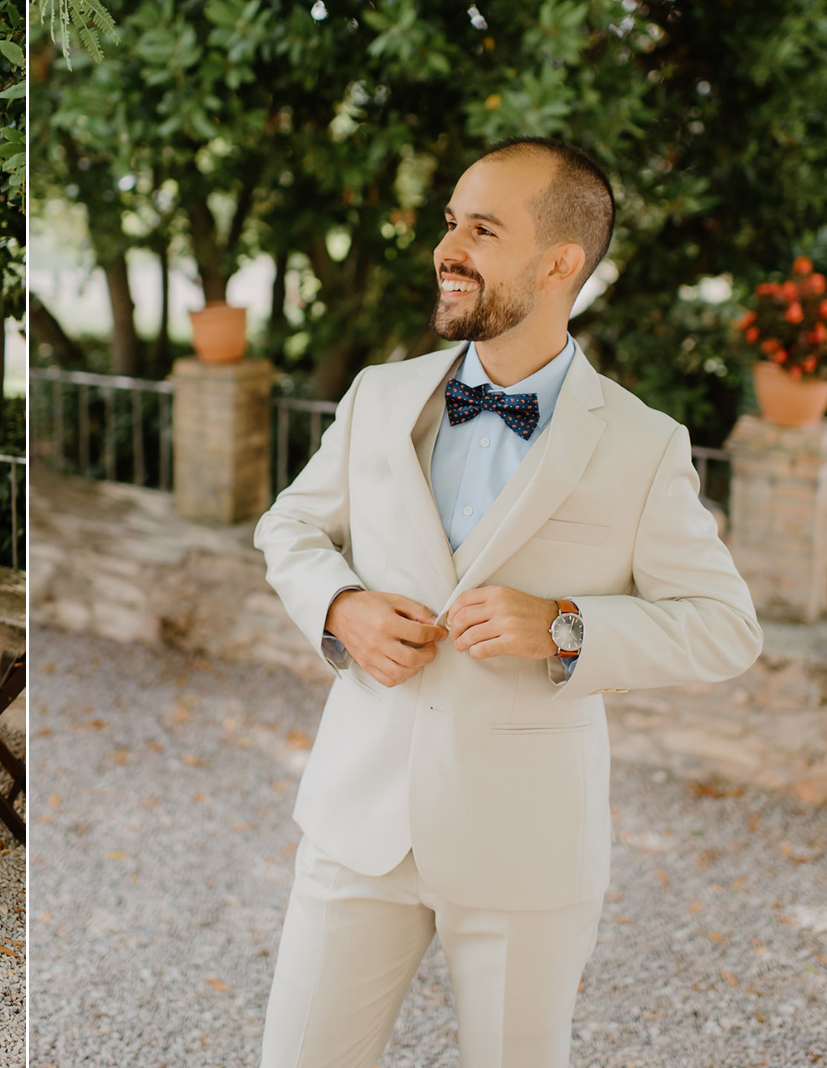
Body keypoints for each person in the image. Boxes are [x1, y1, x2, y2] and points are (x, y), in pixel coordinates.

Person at [253, 137, 763, 1067]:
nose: (449, 247)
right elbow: (288, 530)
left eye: (482, 229)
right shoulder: (380, 396)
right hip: (357, 825)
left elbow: (727, 627)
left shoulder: (643, 445)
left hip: (525, 849)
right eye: (451, 222)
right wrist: (341, 609)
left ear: (560, 262)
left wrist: (565, 625)